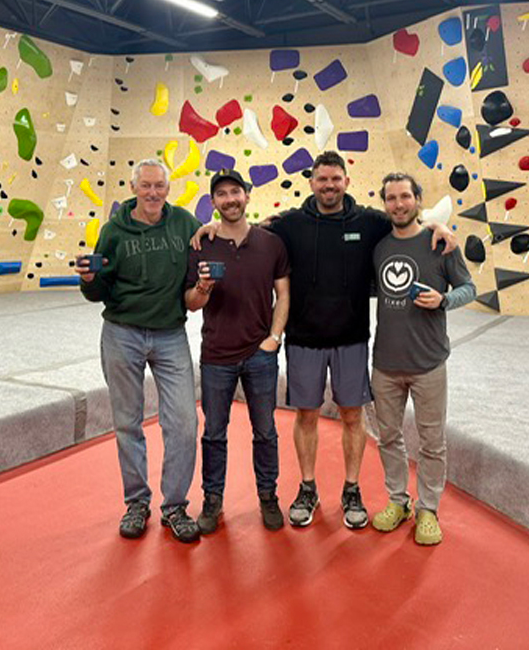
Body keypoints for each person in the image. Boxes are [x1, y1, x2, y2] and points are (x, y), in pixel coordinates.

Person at [262, 151, 459, 530]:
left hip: (352, 340)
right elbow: (253, 229)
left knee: (353, 417)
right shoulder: (291, 223)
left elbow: (407, 220)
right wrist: (209, 228)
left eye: (336, 179)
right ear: (312, 182)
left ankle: (351, 489)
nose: (329, 185)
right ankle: (307, 487)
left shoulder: (369, 221)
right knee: (306, 415)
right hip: (303, 339)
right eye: (322, 179)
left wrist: (439, 226)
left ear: (346, 181)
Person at [77, 158, 201, 544]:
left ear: (168, 189)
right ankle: (136, 502)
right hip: (121, 333)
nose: (152, 193)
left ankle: (175, 505)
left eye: (159, 186)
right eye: (145, 186)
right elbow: (99, 291)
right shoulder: (114, 230)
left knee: (183, 422)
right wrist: (88, 280)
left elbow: (208, 244)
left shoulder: (184, 224)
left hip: (169, 334)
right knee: (128, 422)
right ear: (134, 188)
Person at [370, 172, 476, 546]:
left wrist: (444, 300)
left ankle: (427, 508)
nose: (398, 204)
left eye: (405, 196)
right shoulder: (378, 246)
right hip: (385, 364)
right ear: (385, 204)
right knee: (388, 438)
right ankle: (397, 502)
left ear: (417, 199)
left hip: (429, 362)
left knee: (432, 442)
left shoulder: (440, 244)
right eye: (391, 198)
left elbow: (469, 288)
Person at [184, 170, 290, 533]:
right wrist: (202, 287)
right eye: (221, 195)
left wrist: (274, 338)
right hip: (216, 355)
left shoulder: (271, 243)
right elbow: (192, 304)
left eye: (235, 192)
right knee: (214, 433)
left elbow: (284, 294)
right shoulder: (201, 244)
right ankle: (212, 500)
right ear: (213, 203)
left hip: (261, 355)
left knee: (266, 432)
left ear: (247, 195)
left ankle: (268, 496)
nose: (229, 199)